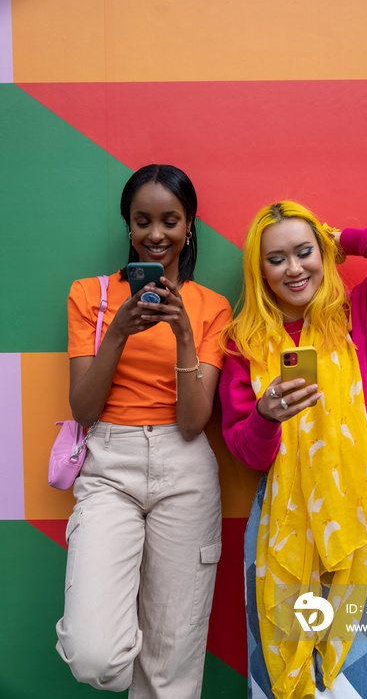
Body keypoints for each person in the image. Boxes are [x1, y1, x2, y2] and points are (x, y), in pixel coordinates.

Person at [219, 201, 367, 698]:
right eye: (276, 259)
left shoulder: (358, 316)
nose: (293, 268)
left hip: (359, 515)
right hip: (280, 524)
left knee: (362, 679)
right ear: (259, 270)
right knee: (280, 676)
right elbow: (245, 452)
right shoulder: (240, 345)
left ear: (322, 251)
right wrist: (267, 417)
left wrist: (340, 241)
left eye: (304, 251)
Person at [56, 164, 232, 698]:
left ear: (190, 226)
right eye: (143, 221)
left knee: (170, 671)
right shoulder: (91, 295)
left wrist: (182, 335)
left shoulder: (210, 308)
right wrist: (118, 333)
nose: (157, 235)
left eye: (170, 221)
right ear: (128, 226)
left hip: (185, 470)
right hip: (109, 466)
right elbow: (84, 410)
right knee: (94, 652)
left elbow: (192, 420)